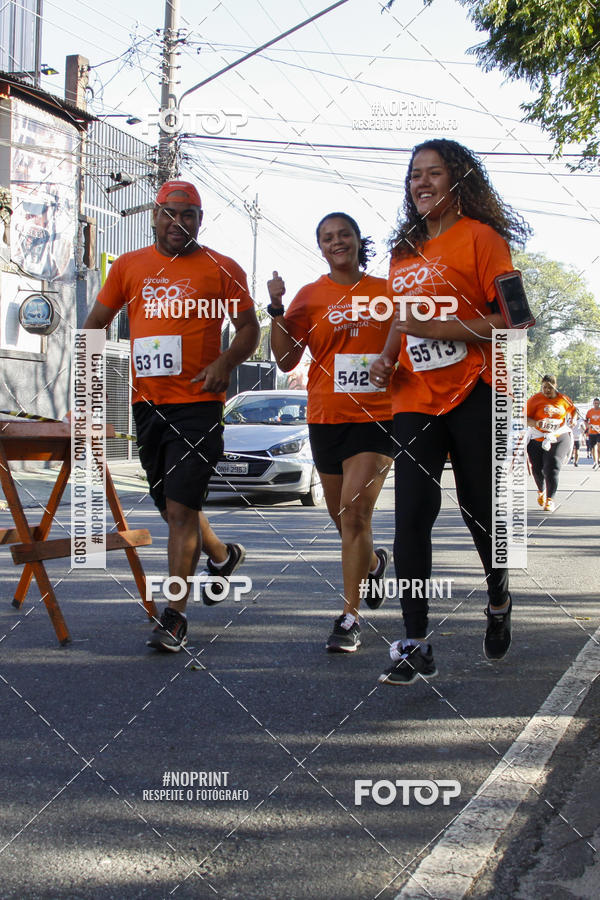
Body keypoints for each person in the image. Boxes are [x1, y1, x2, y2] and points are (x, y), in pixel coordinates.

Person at [370, 138, 532, 685]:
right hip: (414, 396)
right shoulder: (403, 251)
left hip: (474, 390)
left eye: (432, 173)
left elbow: (515, 315)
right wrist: (386, 359)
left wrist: (442, 330)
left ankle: (499, 593)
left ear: (458, 180)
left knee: (478, 507)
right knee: (413, 514)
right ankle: (414, 640)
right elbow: (400, 317)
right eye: (414, 175)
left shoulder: (482, 239)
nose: (420, 183)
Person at [83, 180, 260, 651]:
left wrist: (225, 363)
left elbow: (249, 330)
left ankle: (175, 616)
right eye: (170, 213)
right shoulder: (128, 266)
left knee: (182, 509)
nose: (178, 222)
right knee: (172, 508)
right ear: (155, 216)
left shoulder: (223, 268)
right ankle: (221, 556)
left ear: (200, 220)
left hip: (199, 405)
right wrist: (89, 391)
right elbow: (93, 327)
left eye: (189, 214)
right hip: (148, 407)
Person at [268, 212, 393, 652]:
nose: (336, 242)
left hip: (377, 417)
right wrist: (278, 308)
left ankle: (349, 617)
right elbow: (285, 360)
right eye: (327, 238)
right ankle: (375, 561)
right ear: (320, 247)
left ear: (359, 241)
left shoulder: (387, 290)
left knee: (356, 514)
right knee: (342, 518)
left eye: (344, 234)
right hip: (326, 417)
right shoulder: (311, 295)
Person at [527, 375, 575, 512]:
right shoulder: (534, 400)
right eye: (544, 387)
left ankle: (550, 500)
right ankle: (541, 491)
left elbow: (573, 410)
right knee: (537, 469)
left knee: (552, 466)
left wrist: (574, 419)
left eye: (550, 387)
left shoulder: (563, 399)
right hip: (537, 437)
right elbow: (524, 418)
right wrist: (536, 423)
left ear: (555, 386)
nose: (547, 390)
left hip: (558, 435)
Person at [585, 397, 600, 468]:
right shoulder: (590, 411)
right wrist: (588, 426)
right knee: (593, 447)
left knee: (599, 446)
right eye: (595, 403)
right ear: (593, 403)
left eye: (597, 403)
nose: (596, 404)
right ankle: (595, 462)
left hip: (599, 432)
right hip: (592, 432)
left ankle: (599, 460)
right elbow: (586, 420)